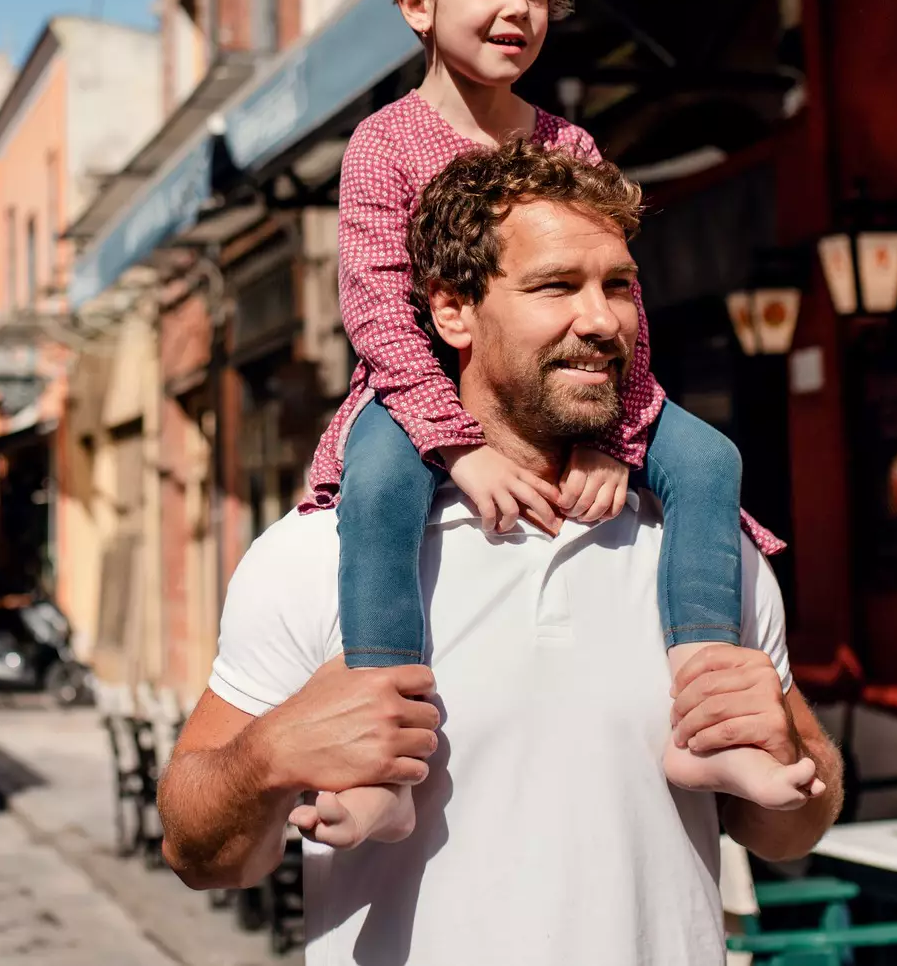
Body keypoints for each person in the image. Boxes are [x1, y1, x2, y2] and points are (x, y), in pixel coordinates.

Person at [158, 141, 842, 964]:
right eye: (556, 286)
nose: (601, 320)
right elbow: (198, 853)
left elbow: (793, 826)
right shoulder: (314, 552)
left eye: (618, 286)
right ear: (452, 312)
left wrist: (792, 749)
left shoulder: (701, 541)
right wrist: (267, 757)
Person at [298, 0, 802, 847]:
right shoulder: (385, 142)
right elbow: (374, 305)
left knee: (706, 461)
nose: (517, 10)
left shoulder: (570, 140)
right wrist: (454, 445)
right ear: (416, 1)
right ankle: (381, 767)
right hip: (416, 392)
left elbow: (615, 293)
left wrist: (616, 433)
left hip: (580, 393)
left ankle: (706, 718)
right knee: (376, 493)